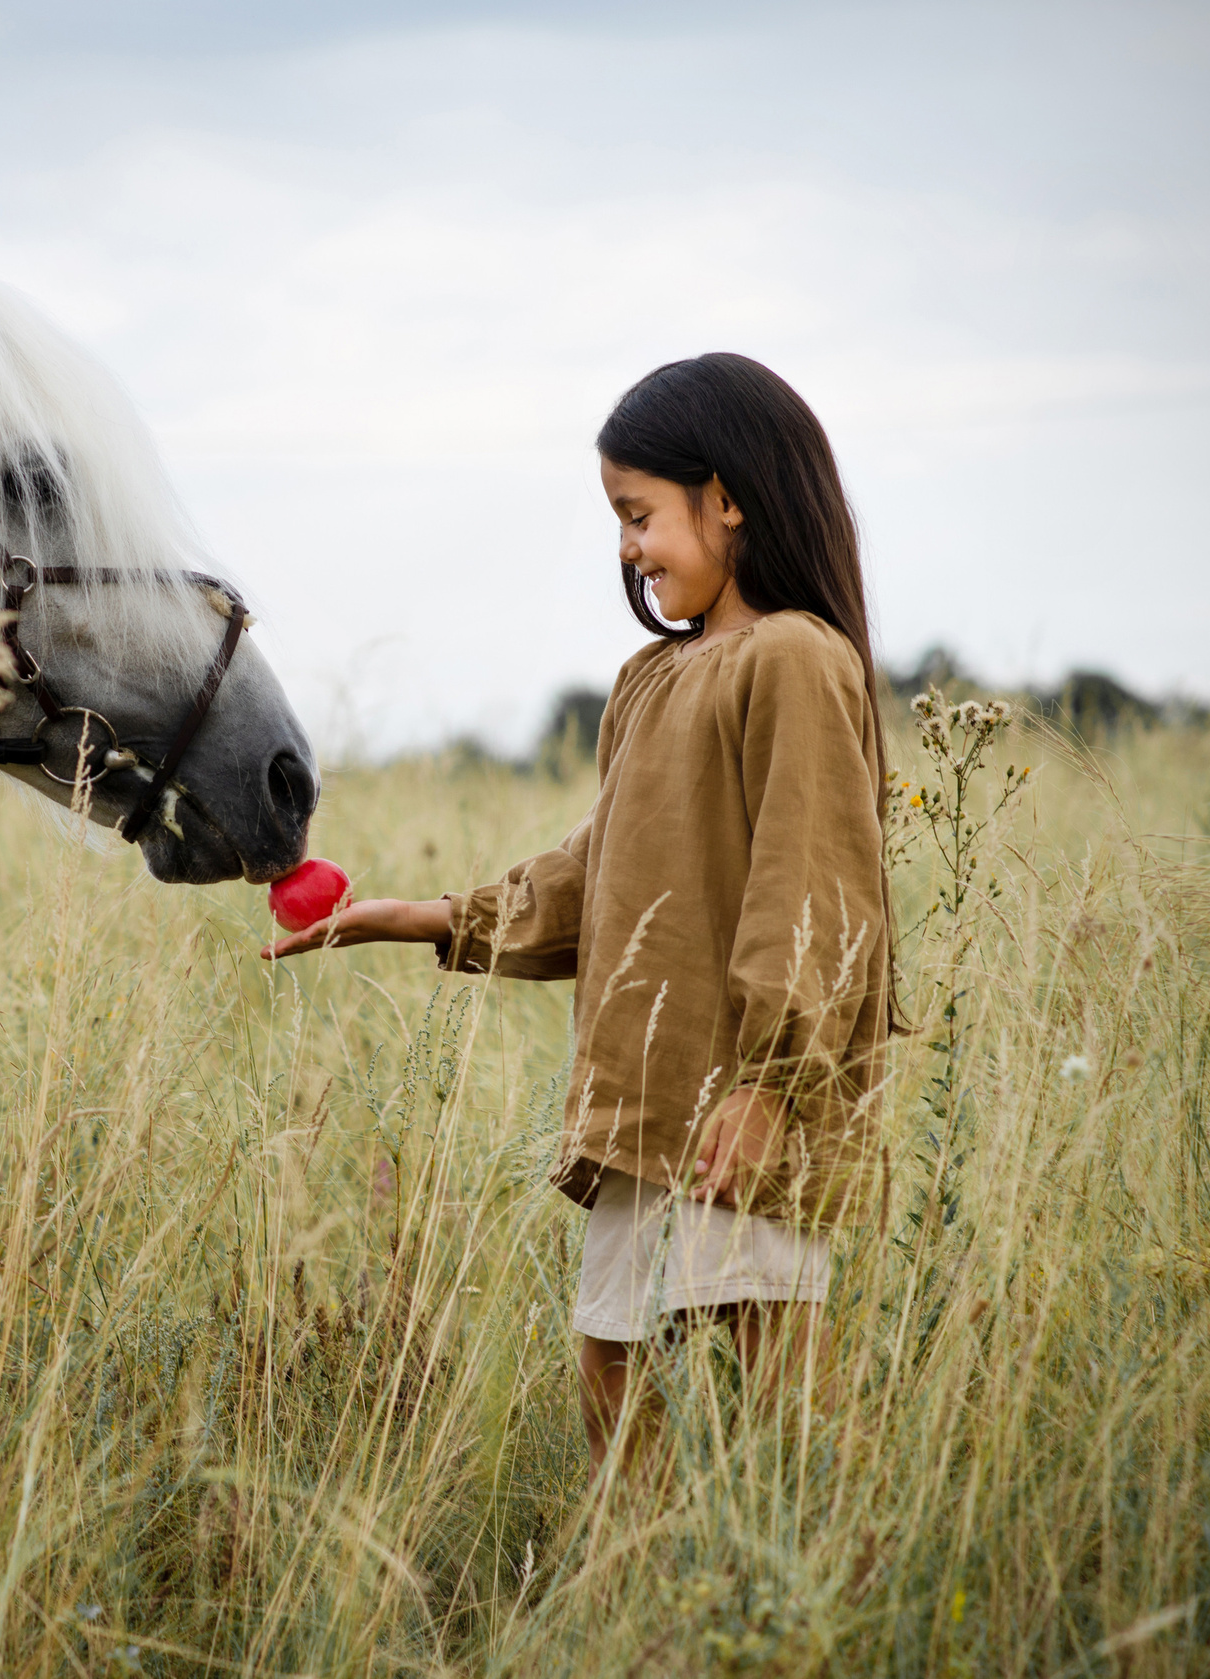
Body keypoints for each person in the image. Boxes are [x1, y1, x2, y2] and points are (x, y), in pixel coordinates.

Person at [264, 352, 896, 1465]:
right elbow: (600, 868)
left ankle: (823, 1608)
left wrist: (769, 1086)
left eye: (639, 513)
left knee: (783, 1401)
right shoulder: (650, 681)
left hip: (732, 1108)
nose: (629, 549)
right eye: (618, 519)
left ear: (731, 497)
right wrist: (436, 918)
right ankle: (640, 1610)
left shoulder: (792, 658)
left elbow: (812, 889)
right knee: (612, 1377)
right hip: (645, 1112)